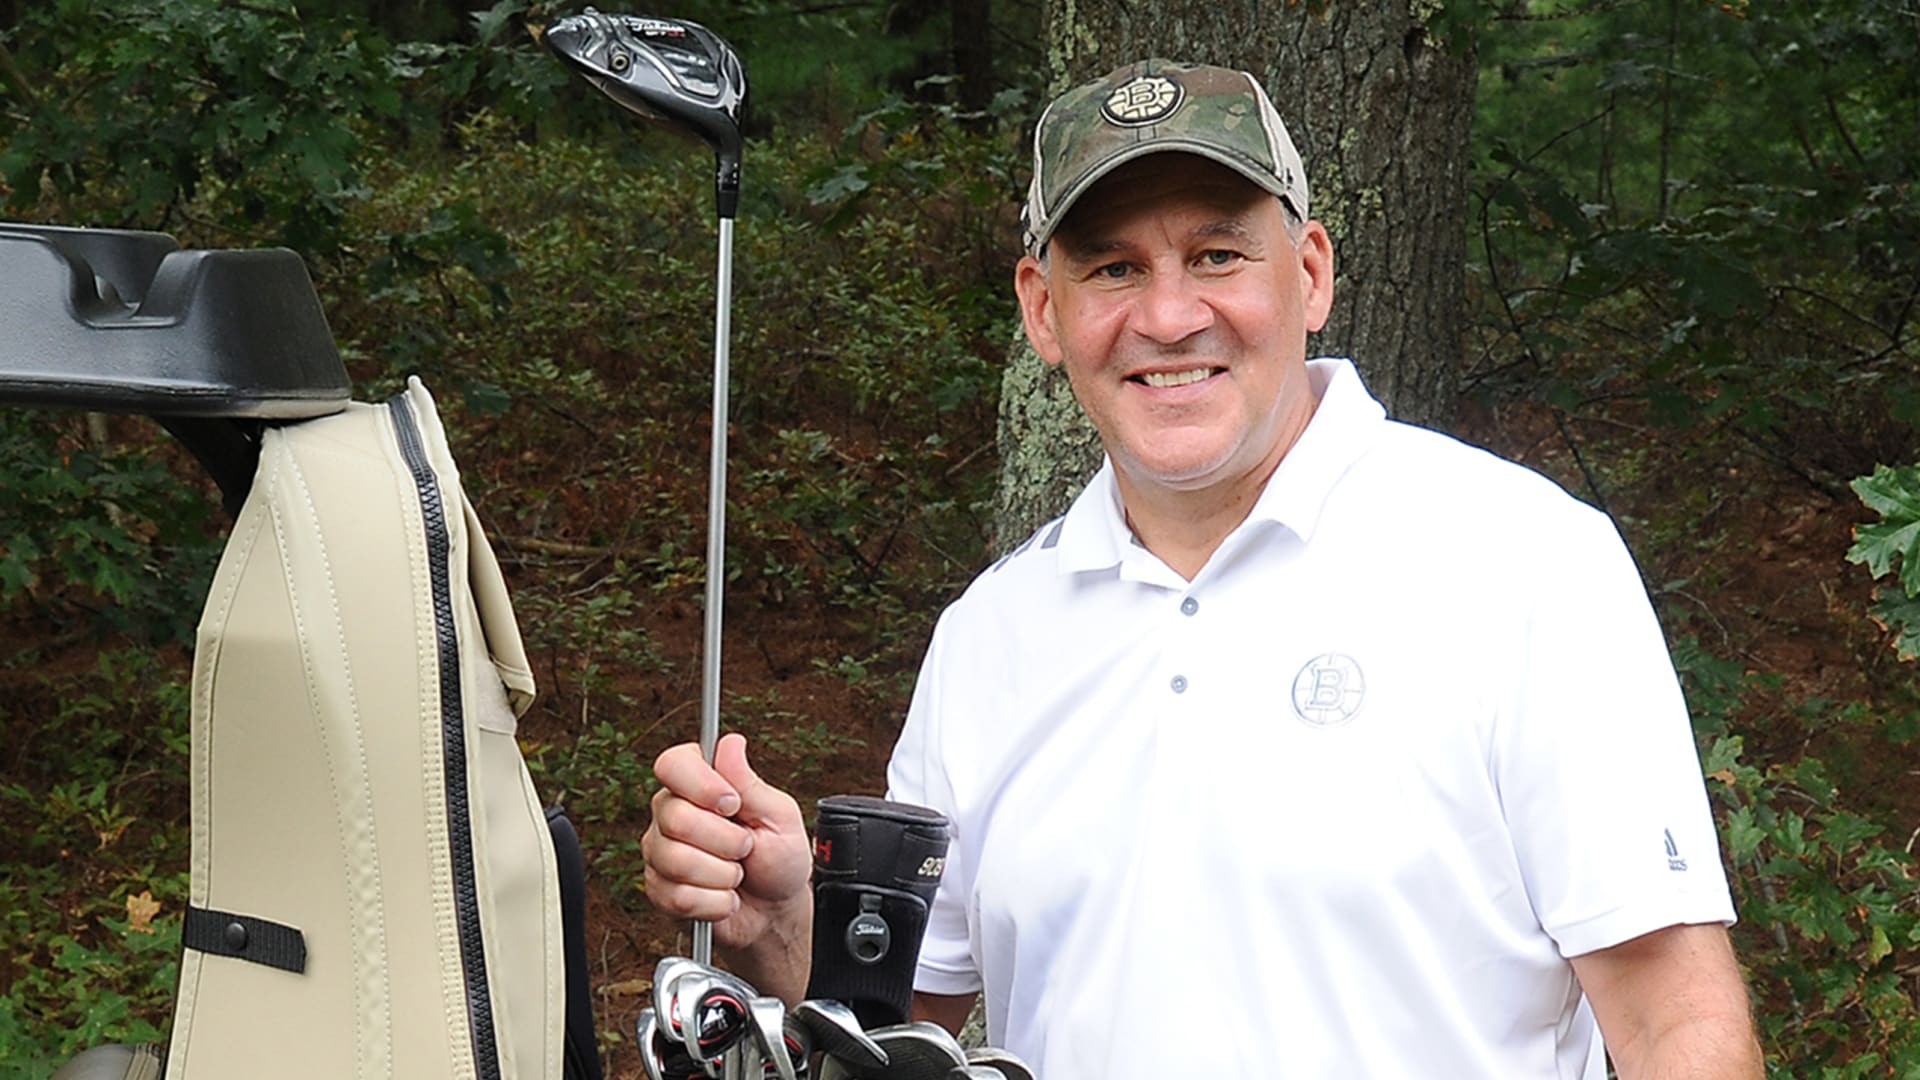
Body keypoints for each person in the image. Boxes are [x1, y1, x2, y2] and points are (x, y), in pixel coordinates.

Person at [641, 59, 1764, 1078]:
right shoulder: (989, 635)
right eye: (1113, 268)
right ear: (1043, 310)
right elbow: (902, 1036)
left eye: (1218, 255)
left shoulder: (1522, 560)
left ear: (1310, 274)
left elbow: (1677, 1027)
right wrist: (782, 928)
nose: (1170, 317)